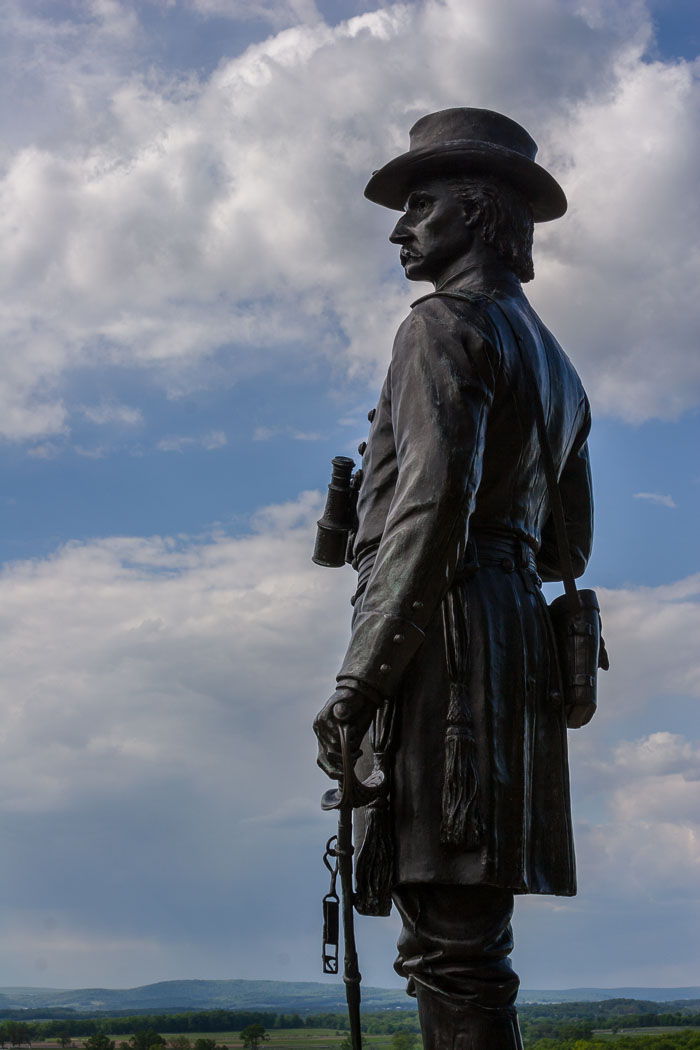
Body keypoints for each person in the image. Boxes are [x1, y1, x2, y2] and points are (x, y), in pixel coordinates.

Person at [314, 108, 594, 1050]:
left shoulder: (442, 326)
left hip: (450, 654)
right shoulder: (558, 368)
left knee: (448, 952)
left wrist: (360, 679)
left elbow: (431, 512)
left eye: (420, 205)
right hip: (512, 646)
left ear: (477, 214)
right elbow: (567, 550)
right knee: (473, 949)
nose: (401, 228)